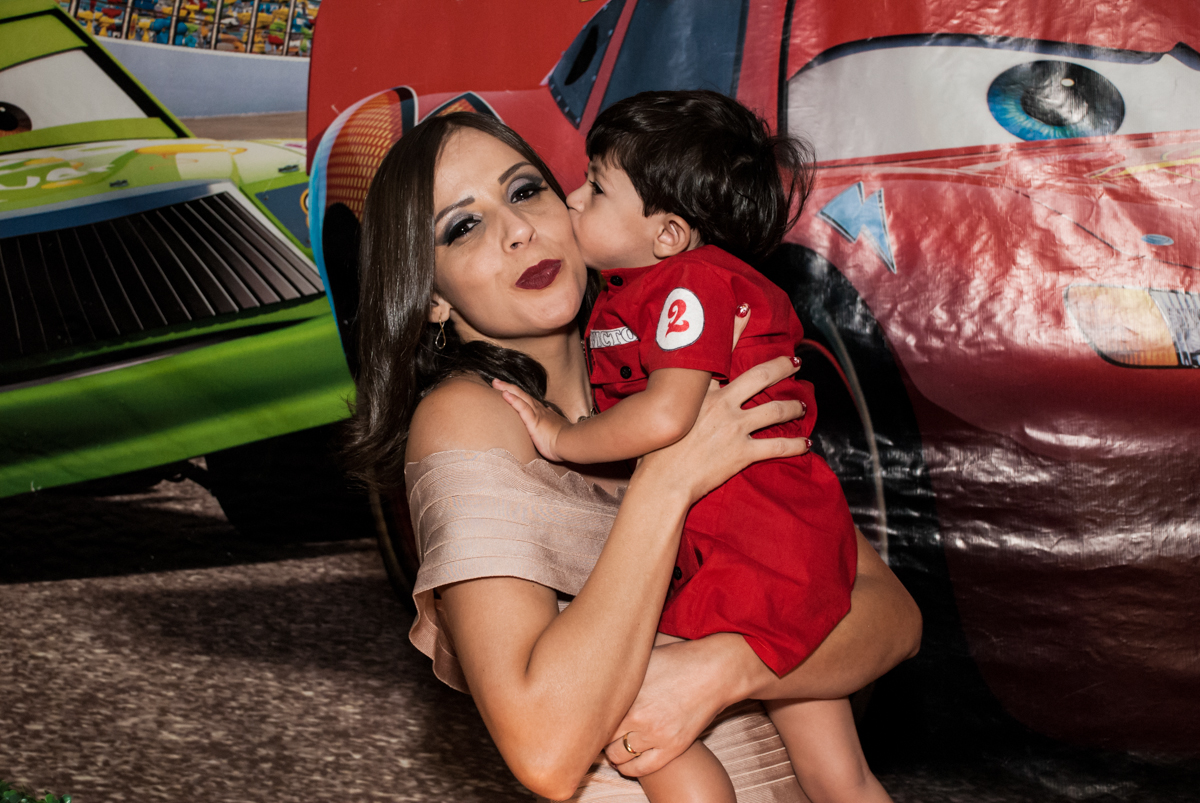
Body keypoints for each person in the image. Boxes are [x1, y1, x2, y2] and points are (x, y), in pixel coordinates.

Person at [345, 110, 922, 802]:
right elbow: (545, 748)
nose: (517, 229)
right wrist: (670, 478)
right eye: (463, 226)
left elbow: (892, 617)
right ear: (433, 296)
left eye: (524, 191)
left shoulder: (671, 370)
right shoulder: (468, 416)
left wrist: (721, 670)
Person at [495, 91, 885, 802]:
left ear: (670, 233)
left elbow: (668, 416)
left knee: (631, 717)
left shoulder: (693, 285)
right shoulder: (644, 287)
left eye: (596, 188)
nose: (572, 199)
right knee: (838, 776)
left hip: (752, 556)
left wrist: (561, 436)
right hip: (769, 547)